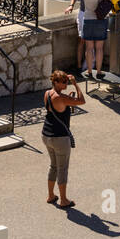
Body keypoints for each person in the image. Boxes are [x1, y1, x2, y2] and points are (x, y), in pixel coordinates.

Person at [42, 70, 85, 209]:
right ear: (55, 82)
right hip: (60, 137)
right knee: (62, 168)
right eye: (64, 81)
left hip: (46, 135)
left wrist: (68, 97)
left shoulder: (48, 93)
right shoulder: (61, 98)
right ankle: (64, 200)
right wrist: (76, 85)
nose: (66, 83)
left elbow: (57, 106)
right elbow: (81, 101)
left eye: (67, 81)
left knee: (53, 165)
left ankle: (50, 195)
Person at [65, 0, 113, 80]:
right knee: (99, 48)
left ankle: (90, 72)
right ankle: (99, 71)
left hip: (88, 20)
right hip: (101, 20)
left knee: (89, 48)